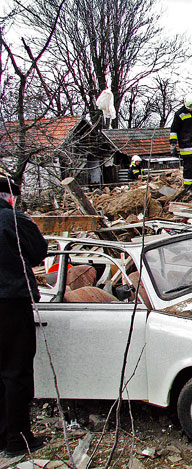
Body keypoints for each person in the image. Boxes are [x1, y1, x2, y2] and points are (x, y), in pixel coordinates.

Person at [0, 174, 48, 457]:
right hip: (9, 303)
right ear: (10, 196)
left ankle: (1, 436)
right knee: (15, 373)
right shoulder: (11, 219)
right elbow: (38, 250)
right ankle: (18, 439)